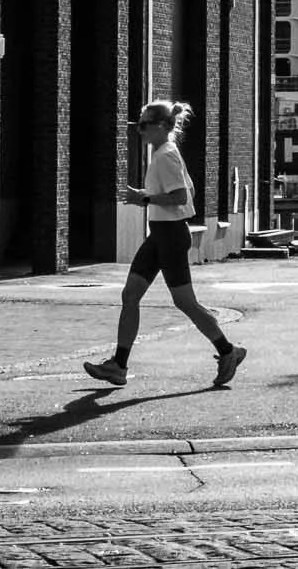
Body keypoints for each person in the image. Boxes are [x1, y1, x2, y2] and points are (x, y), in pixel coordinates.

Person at [84, 100, 248, 389]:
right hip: (160, 234)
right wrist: (144, 193)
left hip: (171, 236)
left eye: (145, 125)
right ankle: (118, 365)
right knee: (130, 295)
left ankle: (228, 351)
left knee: (185, 302)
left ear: (162, 127)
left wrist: (143, 198)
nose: (140, 131)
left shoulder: (166, 156)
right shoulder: (164, 153)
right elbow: (181, 192)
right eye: (139, 125)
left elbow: (181, 198)